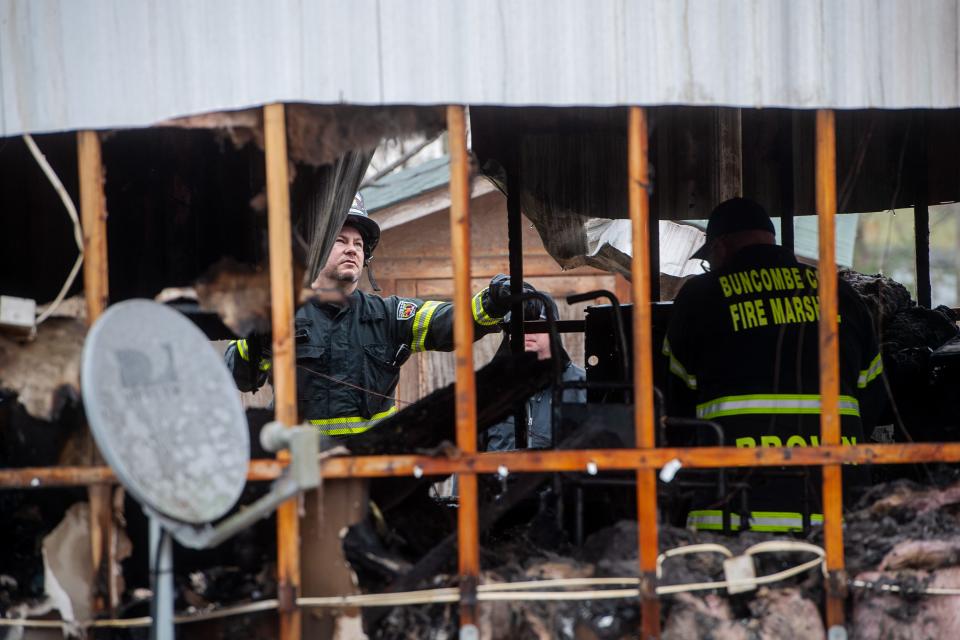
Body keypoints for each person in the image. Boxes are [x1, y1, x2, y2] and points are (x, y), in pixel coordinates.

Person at [663, 197, 884, 532]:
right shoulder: (839, 293)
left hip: (736, 513)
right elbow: (872, 399)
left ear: (720, 247)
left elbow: (674, 405)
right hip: (836, 513)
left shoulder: (700, 297)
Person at [225, 193, 520, 436]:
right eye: (340, 241)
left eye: (359, 244)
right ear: (314, 249)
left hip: (373, 475)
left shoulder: (389, 316)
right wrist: (256, 336)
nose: (352, 250)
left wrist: (494, 300)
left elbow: (451, 322)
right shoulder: (280, 314)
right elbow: (241, 377)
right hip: (299, 473)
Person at [484, 293, 586, 451]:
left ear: (554, 329)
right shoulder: (488, 391)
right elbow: (465, 459)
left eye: (536, 323)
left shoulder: (583, 386)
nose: (527, 331)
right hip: (501, 475)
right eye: (518, 323)